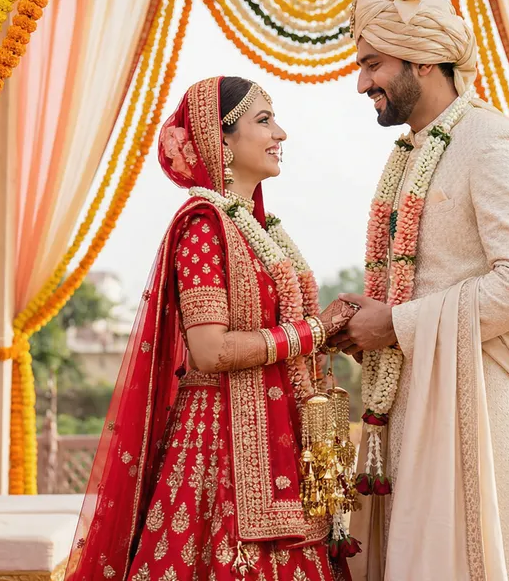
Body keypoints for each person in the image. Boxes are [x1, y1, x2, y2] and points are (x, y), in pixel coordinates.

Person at [330, 0, 509, 581]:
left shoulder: (492, 142)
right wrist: (367, 322)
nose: (362, 84)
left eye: (372, 64)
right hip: (414, 394)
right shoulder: (410, 153)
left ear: (422, 61)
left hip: (482, 397)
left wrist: (397, 323)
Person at [65, 77, 354, 581]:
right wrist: (315, 331)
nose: (280, 133)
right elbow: (208, 349)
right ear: (220, 140)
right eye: (263, 121)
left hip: (278, 439)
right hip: (220, 449)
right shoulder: (203, 225)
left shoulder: (262, 229)